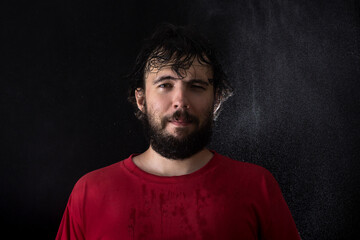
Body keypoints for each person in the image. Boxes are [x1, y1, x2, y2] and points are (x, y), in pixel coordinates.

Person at [56, 23, 301, 240]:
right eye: (165, 85)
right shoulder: (90, 193)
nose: (180, 101)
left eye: (196, 86)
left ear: (216, 99)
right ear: (140, 99)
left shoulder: (257, 186)